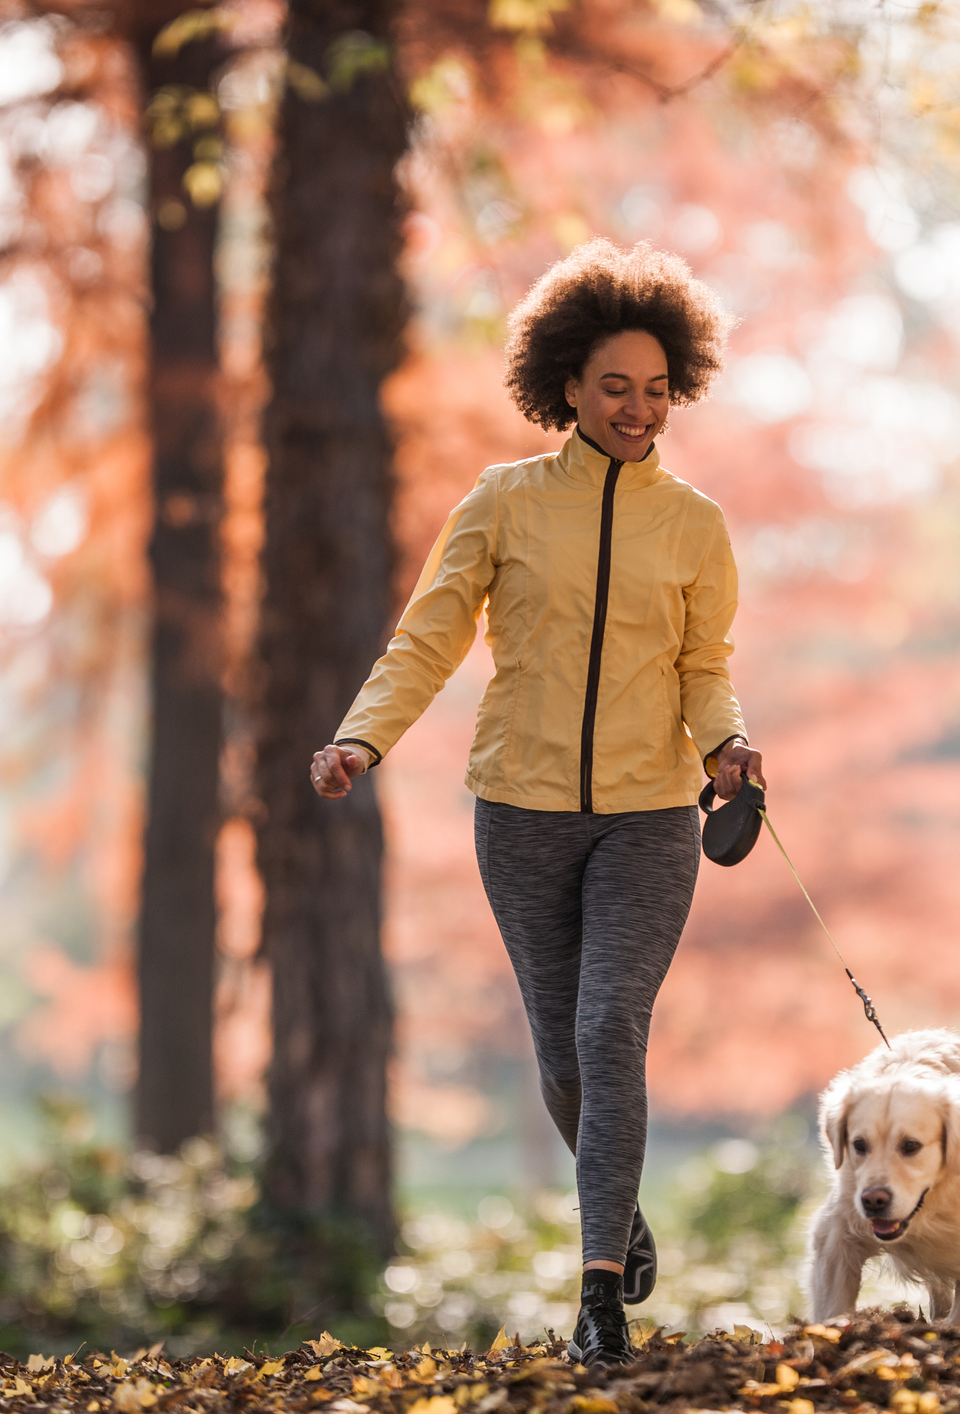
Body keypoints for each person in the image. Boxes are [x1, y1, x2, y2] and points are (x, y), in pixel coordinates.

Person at [307, 240, 763, 1368]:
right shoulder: (502, 503)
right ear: (566, 383)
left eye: (658, 391)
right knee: (564, 1056)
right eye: (616, 386)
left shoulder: (695, 524)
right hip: (519, 812)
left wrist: (727, 745)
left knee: (612, 1027)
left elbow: (704, 664)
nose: (638, 409)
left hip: (652, 817)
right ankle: (623, 1209)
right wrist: (363, 737)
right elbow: (429, 635)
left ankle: (598, 1288)